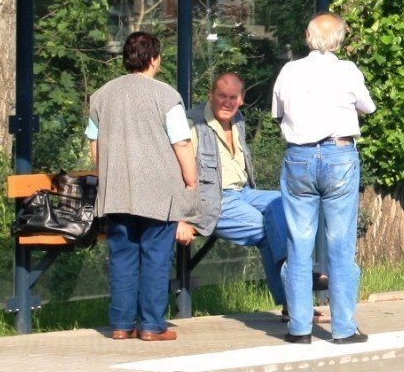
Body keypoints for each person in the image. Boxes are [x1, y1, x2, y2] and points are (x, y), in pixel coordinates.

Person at [87, 31, 196, 341]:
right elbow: (182, 143)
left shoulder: (102, 95)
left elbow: (94, 142)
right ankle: (151, 325)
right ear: (154, 59)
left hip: (117, 191)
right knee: (155, 257)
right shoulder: (166, 96)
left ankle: (121, 325)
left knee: (122, 257)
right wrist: (190, 182)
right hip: (158, 192)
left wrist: (105, 173)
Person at [272, 12, 373, 344]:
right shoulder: (347, 70)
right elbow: (367, 107)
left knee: (299, 243)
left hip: (299, 156)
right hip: (339, 154)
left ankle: (299, 327)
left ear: (307, 36)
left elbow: (278, 113)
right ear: (340, 39)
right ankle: (343, 327)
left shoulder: (289, 70)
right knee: (340, 244)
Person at [185, 72, 291, 311]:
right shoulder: (193, 123)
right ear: (210, 95)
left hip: (245, 192)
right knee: (268, 229)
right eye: (221, 95)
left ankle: (296, 288)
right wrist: (181, 215)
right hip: (213, 198)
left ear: (241, 99)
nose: (227, 102)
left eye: (233, 97)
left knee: (287, 203)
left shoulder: (238, 119)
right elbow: (178, 170)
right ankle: (294, 299)